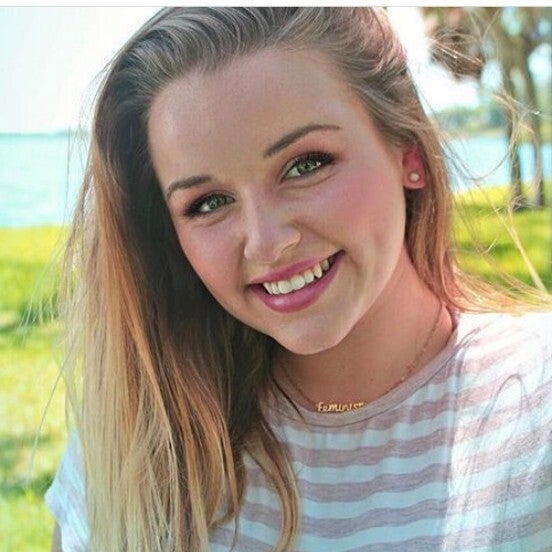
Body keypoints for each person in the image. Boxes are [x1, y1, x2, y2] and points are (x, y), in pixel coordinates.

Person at [46, 7, 552, 552]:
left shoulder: (537, 403)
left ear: (407, 151)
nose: (266, 242)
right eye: (209, 202)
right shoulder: (139, 443)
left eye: (306, 164)